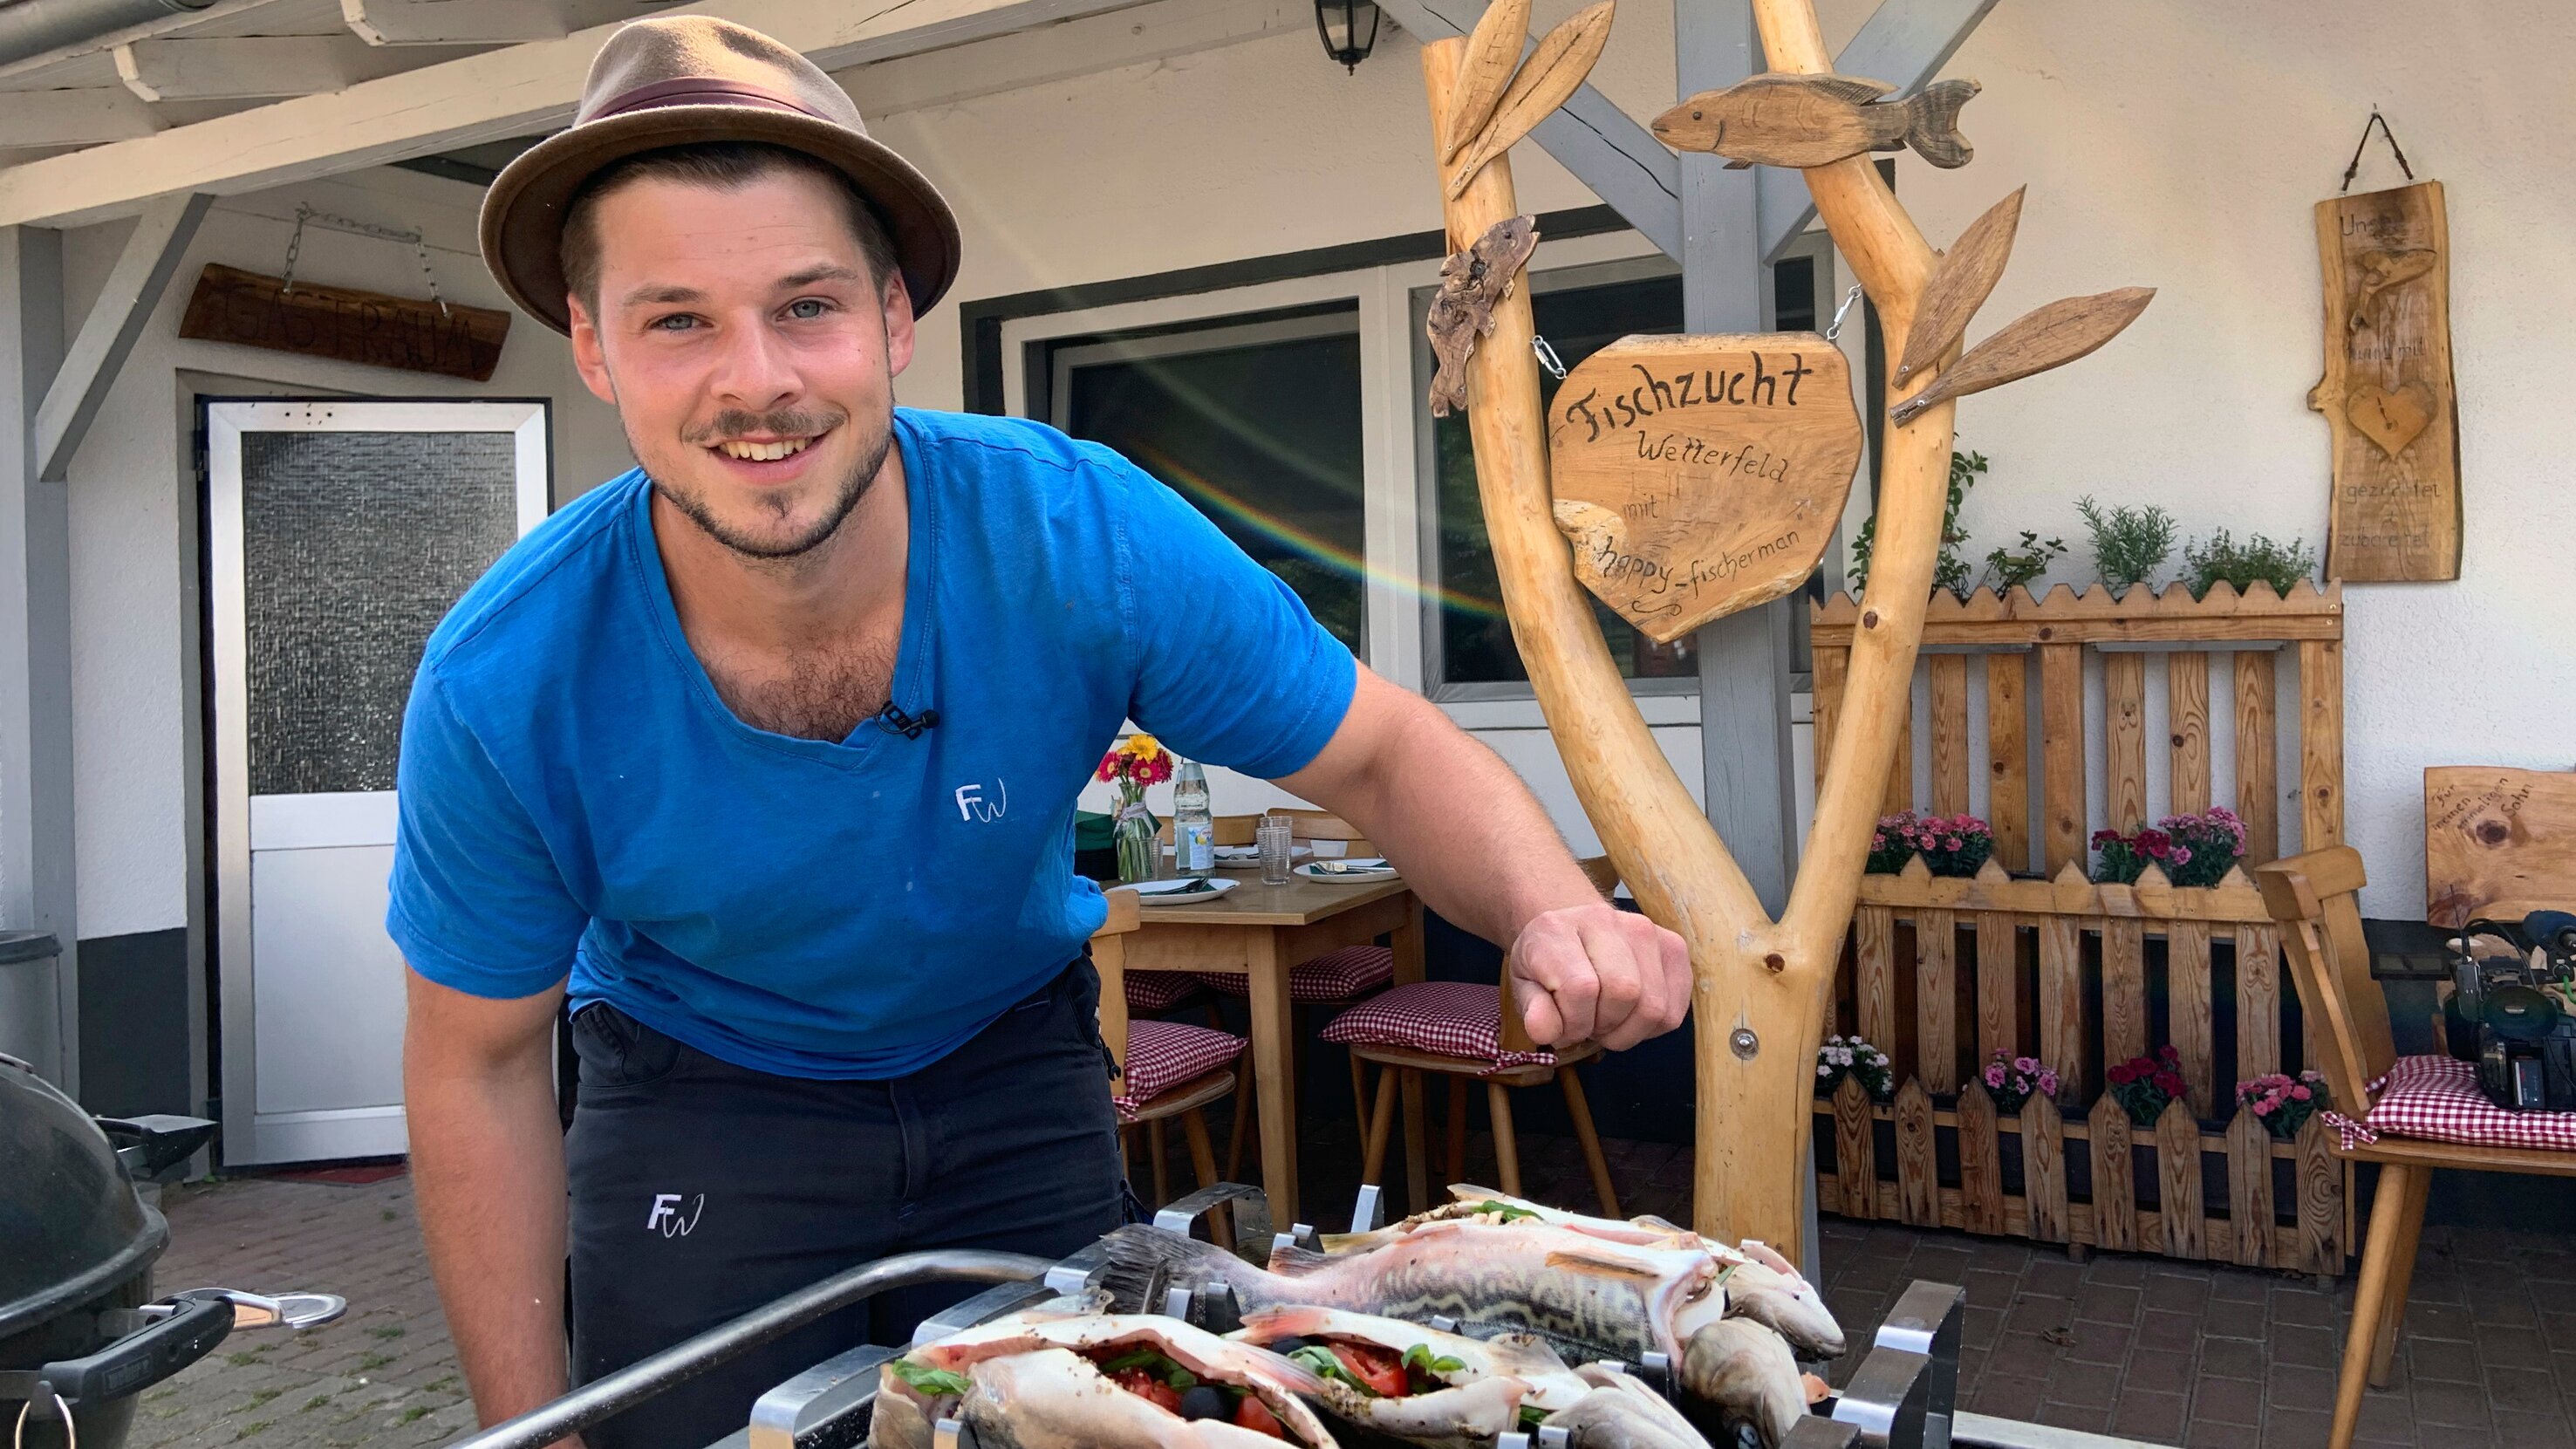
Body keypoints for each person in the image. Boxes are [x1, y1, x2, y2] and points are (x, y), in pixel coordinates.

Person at [395, 16, 1693, 1449]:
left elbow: (1379, 749)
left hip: (1011, 1066)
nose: (753, 378)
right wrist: (530, 1428)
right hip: (702, 1093)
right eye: (677, 318)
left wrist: (1552, 909)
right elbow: (479, 1059)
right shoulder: (506, 675)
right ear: (593, 343)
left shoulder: (1075, 530)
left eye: (806, 305)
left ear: (895, 318)